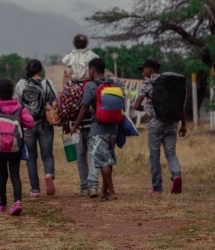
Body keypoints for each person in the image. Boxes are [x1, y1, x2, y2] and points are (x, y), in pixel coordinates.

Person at [71, 58, 122, 201]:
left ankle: (111, 192)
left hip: (98, 129)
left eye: (89, 70)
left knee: (102, 162)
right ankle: (104, 192)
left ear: (92, 70)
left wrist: (75, 125)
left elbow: (84, 108)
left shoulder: (91, 86)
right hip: (113, 128)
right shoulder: (113, 83)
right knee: (108, 160)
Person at [133, 58, 187, 194]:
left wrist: (146, 110)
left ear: (150, 70)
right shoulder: (173, 84)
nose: (142, 73)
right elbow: (182, 106)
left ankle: (157, 187)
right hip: (172, 124)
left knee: (154, 155)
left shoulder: (148, 83)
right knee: (170, 153)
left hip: (154, 125)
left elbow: (136, 105)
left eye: (144, 69)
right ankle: (176, 175)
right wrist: (183, 125)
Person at [0, 79, 34, 216]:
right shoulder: (19, 108)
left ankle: (2, 203)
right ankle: (18, 201)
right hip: (15, 148)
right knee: (15, 173)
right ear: (12, 91)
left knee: (2, 174)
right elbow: (30, 123)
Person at [61, 34, 100, 198]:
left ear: (74, 44)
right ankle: (93, 185)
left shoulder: (70, 86)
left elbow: (64, 61)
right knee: (94, 154)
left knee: (81, 156)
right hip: (93, 124)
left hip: (75, 126)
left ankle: (84, 186)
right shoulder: (94, 85)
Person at [14, 59, 58, 197]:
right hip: (44, 124)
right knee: (47, 155)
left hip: (27, 125)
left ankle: (35, 189)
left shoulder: (21, 84)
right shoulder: (46, 83)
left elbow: (16, 104)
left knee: (31, 157)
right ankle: (49, 174)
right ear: (40, 70)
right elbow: (55, 101)